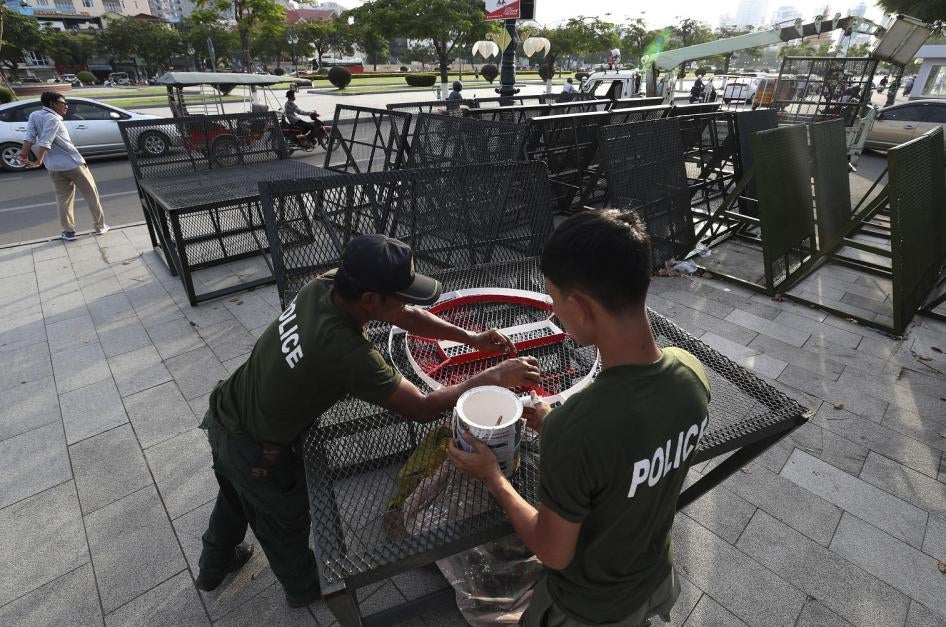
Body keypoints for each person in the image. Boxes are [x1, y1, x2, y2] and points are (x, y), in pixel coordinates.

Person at [196, 234, 541, 607]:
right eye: (401, 295)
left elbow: (404, 315)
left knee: (235, 494)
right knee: (283, 520)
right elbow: (421, 407)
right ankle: (302, 588)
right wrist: (494, 376)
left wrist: (469, 337)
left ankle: (213, 566)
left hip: (229, 406)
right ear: (370, 299)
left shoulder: (330, 283)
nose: (407, 303)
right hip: (255, 450)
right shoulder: (343, 350)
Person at [449, 209, 712, 627]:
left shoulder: (578, 429)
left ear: (581, 307)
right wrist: (556, 424)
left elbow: (553, 553)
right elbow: (630, 451)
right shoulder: (692, 375)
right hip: (653, 577)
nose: (555, 314)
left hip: (589, 608)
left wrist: (493, 477)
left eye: (554, 301)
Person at [17, 92, 108, 241]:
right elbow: (46, 141)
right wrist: (38, 161)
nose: (66, 106)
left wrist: (23, 154)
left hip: (54, 167)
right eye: (63, 103)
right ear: (52, 104)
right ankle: (100, 226)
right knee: (91, 194)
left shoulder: (34, 115)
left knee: (63, 199)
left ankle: (68, 232)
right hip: (73, 164)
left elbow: (29, 137)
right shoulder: (54, 119)